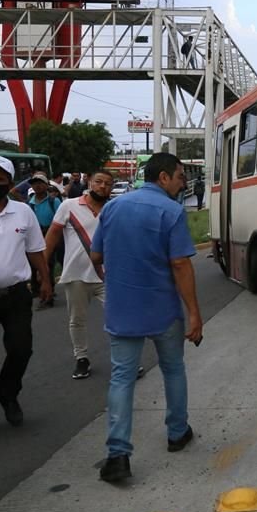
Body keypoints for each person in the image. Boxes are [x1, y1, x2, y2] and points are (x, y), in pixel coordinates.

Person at [91, 152, 202, 482]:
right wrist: (194, 313)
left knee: (122, 377)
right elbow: (180, 265)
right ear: (164, 178)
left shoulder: (112, 207)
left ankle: (118, 455)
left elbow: (96, 254)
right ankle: (177, 433)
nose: (183, 183)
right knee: (172, 369)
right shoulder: (172, 211)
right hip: (162, 310)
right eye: (180, 177)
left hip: (122, 308)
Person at [0, 156, 52, 438]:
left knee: (21, 348)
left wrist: (46, 281)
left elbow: (35, 250)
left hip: (16, 295)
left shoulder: (23, 212)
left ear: (10, 183)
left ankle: (8, 395)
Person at [45, 171, 114, 380]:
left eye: (108, 184)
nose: (103, 187)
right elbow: (53, 234)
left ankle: (123, 359)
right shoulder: (69, 206)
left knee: (117, 318)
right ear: (89, 183)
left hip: (107, 275)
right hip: (76, 275)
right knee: (77, 320)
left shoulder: (113, 209)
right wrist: (43, 270)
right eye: (99, 182)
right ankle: (81, 358)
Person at [27, 173, 60, 309]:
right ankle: (38, 291)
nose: (37, 186)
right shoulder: (29, 203)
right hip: (34, 237)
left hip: (49, 236)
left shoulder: (54, 201)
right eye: (34, 183)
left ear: (46, 185)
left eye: (40, 183)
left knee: (48, 265)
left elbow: (60, 220)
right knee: (34, 266)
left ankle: (48, 294)